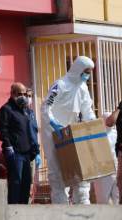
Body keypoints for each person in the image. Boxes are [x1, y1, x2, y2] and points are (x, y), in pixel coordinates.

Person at [40, 56, 96, 204]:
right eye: (86, 71)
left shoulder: (83, 88)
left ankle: (83, 209)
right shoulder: (60, 85)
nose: (88, 75)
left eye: (89, 72)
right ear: (78, 69)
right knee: (58, 176)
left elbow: (87, 109)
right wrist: (54, 123)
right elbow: (46, 107)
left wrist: (92, 124)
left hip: (74, 134)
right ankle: (61, 211)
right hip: (55, 134)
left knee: (82, 175)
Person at [0, 82, 41, 204]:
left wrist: (36, 151)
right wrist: (8, 146)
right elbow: (3, 130)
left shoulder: (25, 111)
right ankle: (13, 210)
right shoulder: (6, 109)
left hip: (27, 153)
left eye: (24, 94)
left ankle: (23, 210)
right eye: (19, 94)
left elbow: (31, 132)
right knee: (16, 181)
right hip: (15, 153)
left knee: (26, 183)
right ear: (12, 94)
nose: (23, 96)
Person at [93, 112, 119, 204]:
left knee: (117, 197)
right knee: (103, 198)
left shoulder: (116, 133)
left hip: (116, 167)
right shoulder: (97, 135)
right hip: (102, 170)